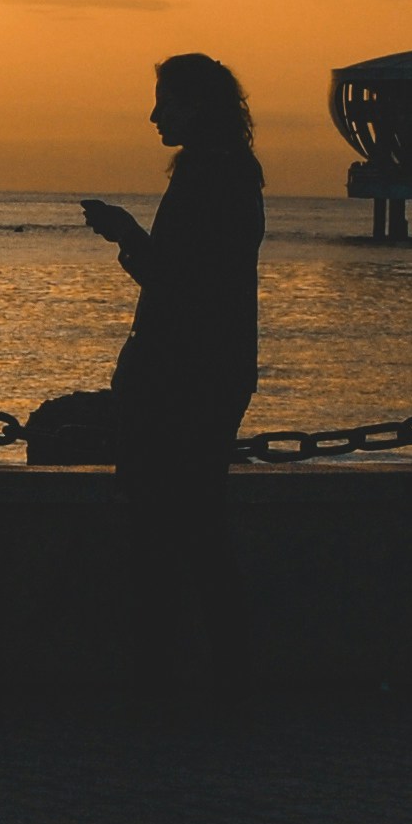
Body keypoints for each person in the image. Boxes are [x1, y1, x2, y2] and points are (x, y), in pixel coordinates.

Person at [82, 53, 265, 710]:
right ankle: (218, 678)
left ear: (198, 106)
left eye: (168, 101)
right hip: (212, 368)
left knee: (166, 527)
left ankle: (166, 680)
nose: (156, 114)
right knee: (195, 523)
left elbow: (178, 284)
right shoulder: (234, 175)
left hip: (183, 374)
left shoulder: (207, 177)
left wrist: (126, 234)